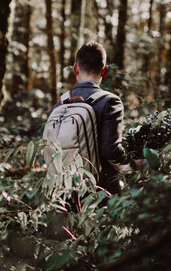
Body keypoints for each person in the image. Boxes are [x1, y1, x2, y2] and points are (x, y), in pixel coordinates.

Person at [53, 42, 140, 194]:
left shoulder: (60, 104)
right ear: (104, 70)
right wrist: (132, 166)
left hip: (64, 187)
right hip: (100, 189)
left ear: (75, 68)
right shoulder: (110, 101)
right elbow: (110, 149)